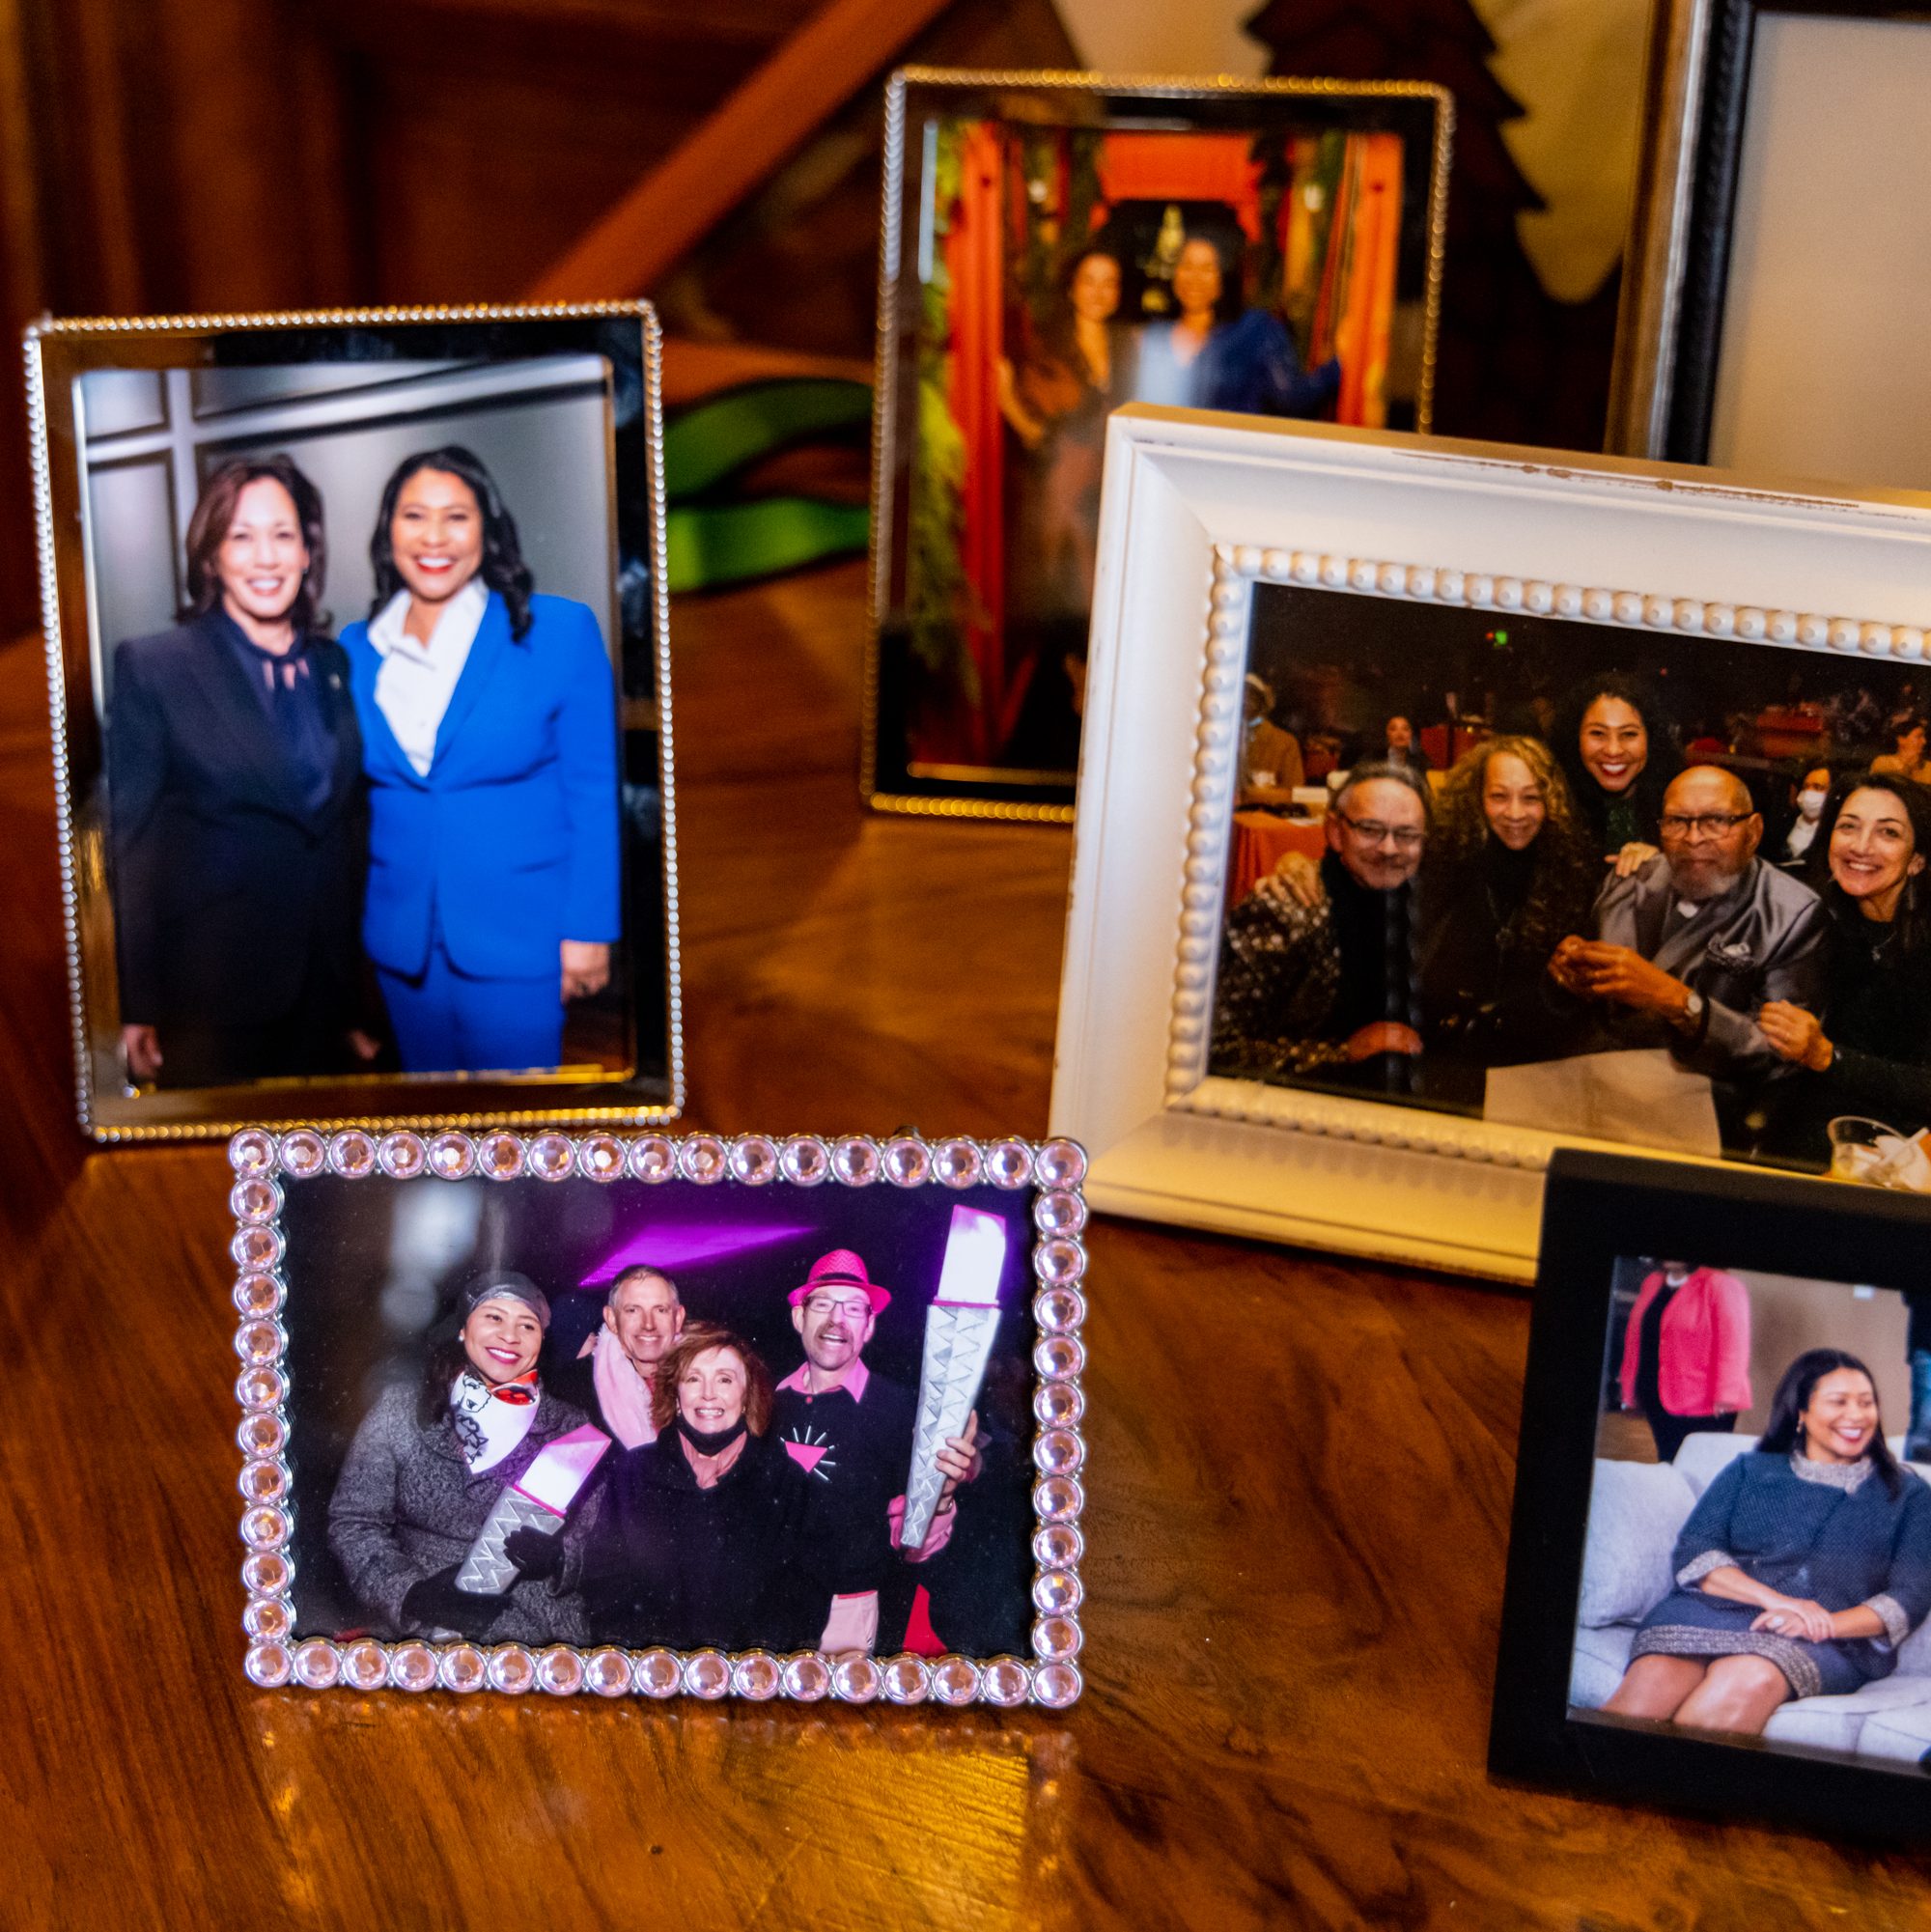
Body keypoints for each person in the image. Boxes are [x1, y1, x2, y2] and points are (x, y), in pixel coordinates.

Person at [340, 446, 621, 1077]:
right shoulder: (355, 650)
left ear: (487, 529)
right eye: (415, 515)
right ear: (390, 531)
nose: (434, 536)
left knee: (518, 1141)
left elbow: (593, 790)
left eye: (456, 516)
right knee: (431, 1131)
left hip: (519, 936)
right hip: (400, 943)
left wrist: (589, 931)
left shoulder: (559, 631)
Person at [107, 455, 369, 1089]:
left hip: (326, 984)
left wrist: (362, 996)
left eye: (283, 535)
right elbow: (133, 847)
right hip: (213, 990)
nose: (266, 557)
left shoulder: (335, 663)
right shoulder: (157, 666)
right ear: (211, 556)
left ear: (308, 551)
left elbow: (346, 827)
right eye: (241, 537)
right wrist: (139, 1002)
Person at [1602, 1350, 1931, 1733]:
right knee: (1645, 1694)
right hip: (1712, 1612)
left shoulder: (1908, 1494)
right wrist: (1779, 1602)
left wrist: (1820, 1625)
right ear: (1801, 1414)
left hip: (1826, 1641)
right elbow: (1697, 1551)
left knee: (1745, 1681)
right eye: (1839, 1402)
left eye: (1866, 1402)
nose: (1856, 1416)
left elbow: (1910, 1596)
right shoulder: (1750, 1470)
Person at [576, 1324, 957, 1654]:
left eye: (725, 1380)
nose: (709, 1394)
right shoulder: (633, 1473)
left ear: (747, 1396)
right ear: (675, 1396)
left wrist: (751, 1667)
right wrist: (648, 1659)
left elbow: (804, 1598)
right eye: (694, 1379)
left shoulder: (785, 1482)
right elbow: (604, 1580)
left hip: (749, 1688)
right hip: (652, 1683)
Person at [1546, 766, 1831, 1134]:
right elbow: (1572, 1007)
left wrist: (1679, 1002)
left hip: (1701, 1107)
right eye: (1678, 821)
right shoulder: (1630, 879)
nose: (1694, 838)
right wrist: (1564, 976)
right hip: (1590, 1084)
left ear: (1753, 831)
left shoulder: (1791, 913)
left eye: (1716, 821)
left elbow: (1778, 1057)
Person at [327, 1273, 595, 1644]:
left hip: (538, 1635)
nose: (510, 1335)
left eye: (527, 1325)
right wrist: (411, 1593)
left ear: (541, 1342)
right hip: (422, 1631)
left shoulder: (570, 1428)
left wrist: (559, 1558)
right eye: (494, 1318)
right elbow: (355, 1522)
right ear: (463, 1330)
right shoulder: (397, 1412)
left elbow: (597, 1540)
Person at [771, 1250, 978, 1654]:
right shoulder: (766, 1403)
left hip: (849, 1621)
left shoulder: (903, 1412)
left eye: (853, 1308)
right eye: (824, 1304)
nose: (837, 1319)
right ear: (800, 1318)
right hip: (769, 1606)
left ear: (869, 1327)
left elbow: (915, 1544)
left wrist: (943, 1494)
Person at [1210, 761, 1427, 1085]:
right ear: (1336, 832)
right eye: (1369, 829)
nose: (1389, 848)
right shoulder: (1286, 911)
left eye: (1407, 834)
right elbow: (1215, 1048)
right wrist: (1340, 1054)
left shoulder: (1424, 906)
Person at [1417, 736, 1599, 1067]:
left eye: (1531, 798)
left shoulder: (1573, 874)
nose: (1515, 814)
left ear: (1551, 802)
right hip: (1441, 1054)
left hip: (1530, 1064)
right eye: (1499, 796)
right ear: (1477, 799)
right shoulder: (1442, 861)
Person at [996, 247, 1130, 633]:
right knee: (1072, 586)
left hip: (1113, 484)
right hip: (1064, 483)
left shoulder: (1127, 346)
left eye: (1109, 283)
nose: (1098, 292)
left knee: (1112, 582)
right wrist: (1006, 399)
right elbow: (1034, 431)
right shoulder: (1049, 349)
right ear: (1071, 289)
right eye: (1089, 281)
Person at [1132, 230, 1340, 419]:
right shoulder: (1155, 336)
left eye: (1207, 269)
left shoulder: (1255, 330)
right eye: (1186, 266)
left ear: (1224, 276)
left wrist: (1338, 364)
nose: (1194, 278)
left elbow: (1293, 399)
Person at [1617, 1261, 1752, 1463]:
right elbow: (1635, 1340)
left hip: (1705, 1403)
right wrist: (1629, 1391)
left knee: (1699, 1468)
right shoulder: (1652, 1282)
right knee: (1668, 1462)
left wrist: (1726, 1394)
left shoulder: (1721, 1284)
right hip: (1657, 1395)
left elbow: (1734, 1342)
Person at [548, 1265, 686, 1449]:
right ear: (612, 1319)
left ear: (677, 1319)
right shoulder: (569, 1389)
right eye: (633, 1310)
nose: (648, 1324)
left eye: (660, 1310)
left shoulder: (707, 1380)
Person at [1553, 672, 1679, 867]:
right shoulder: (1553, 809)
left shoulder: (1679, 808)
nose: (1613, 750)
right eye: (1598, 733)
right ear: (1575, 738)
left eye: (1628, 734)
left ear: (1651, 740)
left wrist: (1662, 864)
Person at [1238, 674, 1305, 802]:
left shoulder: (1285, 743)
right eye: (1240, 695)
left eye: (1251, 695)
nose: (1244, 701)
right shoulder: (1221, 741)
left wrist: (1250, 794)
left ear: (1263, 701)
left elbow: (1294, 794)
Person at [1774, 763, 1833, 870]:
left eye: (1818, 787)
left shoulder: (1832, 832)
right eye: (1805, 787)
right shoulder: (1781, 823)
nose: (1809, 792)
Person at [1871, 714, 1931, 786]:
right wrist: (1907, 768)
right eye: (1918, 737)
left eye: (1924, 737)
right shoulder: (1883, 763)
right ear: (1901, 740)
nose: (1924, 741)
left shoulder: (1929, 767)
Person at [1380, 714, 1431, 779]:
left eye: (1405, 729)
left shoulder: (1420, 762)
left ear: (1411, 734)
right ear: (1386, 734)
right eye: (1393, 729)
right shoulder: (1375, 760)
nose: (1400, 733)